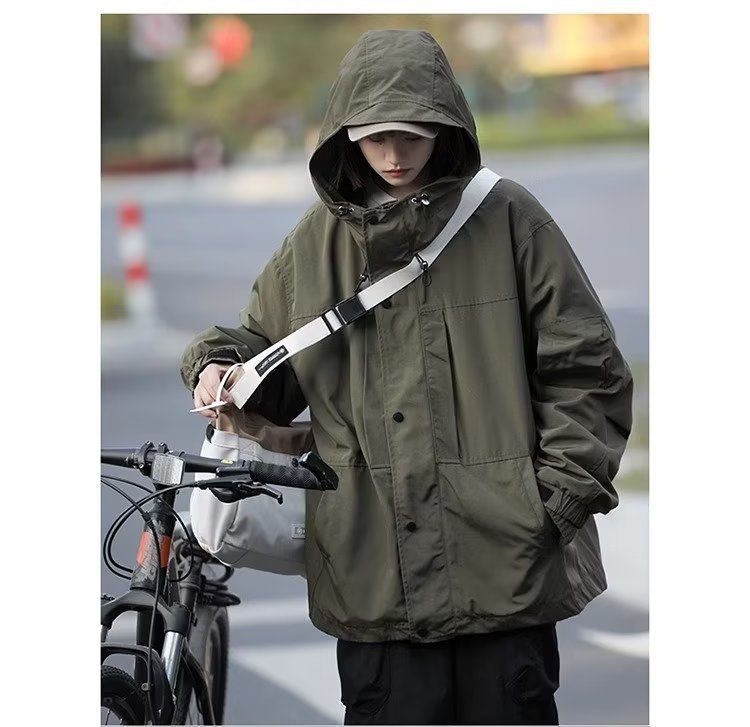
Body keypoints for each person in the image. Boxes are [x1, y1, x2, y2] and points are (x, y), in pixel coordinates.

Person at [181, 29, 633, 726]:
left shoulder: (510, 219)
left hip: (503, 570)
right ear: (346, 137)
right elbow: (266, 353)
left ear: (445, 128)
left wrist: (553, 504)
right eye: (376, 139)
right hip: (373, 581)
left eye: (412, 137)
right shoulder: (317, 244)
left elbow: (588, 370)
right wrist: (215, 364)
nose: (394, 155)